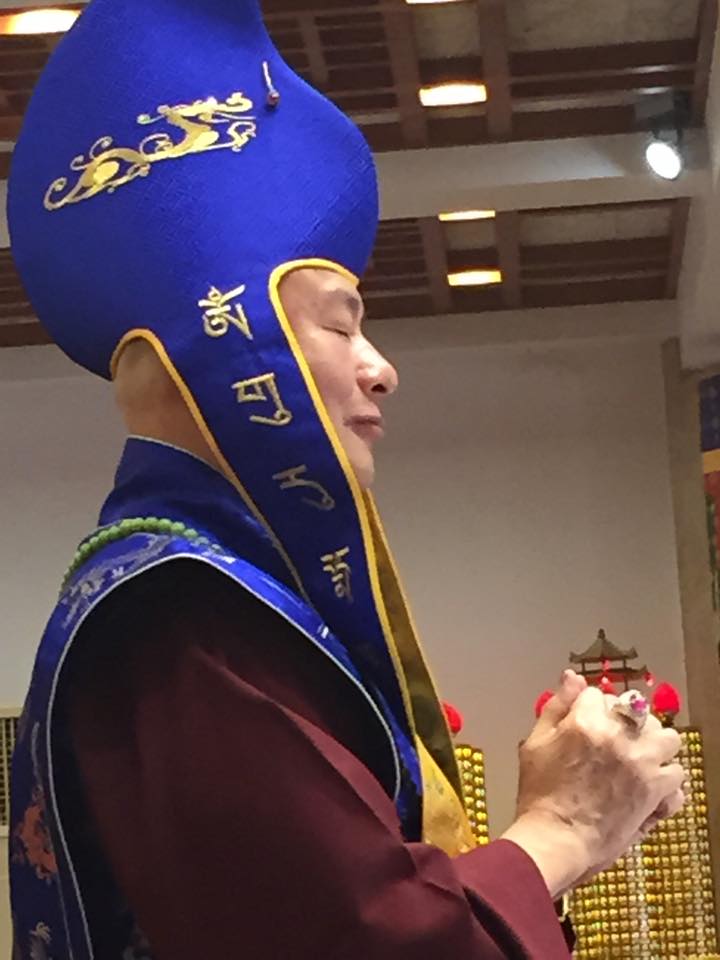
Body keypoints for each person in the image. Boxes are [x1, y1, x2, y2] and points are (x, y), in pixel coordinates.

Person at [7, 0, 685, 957]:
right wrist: (564, 827)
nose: (381, 368)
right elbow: (352, 941)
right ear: (228, 336)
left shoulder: (194, 592)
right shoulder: (182, 612)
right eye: (339, 323)